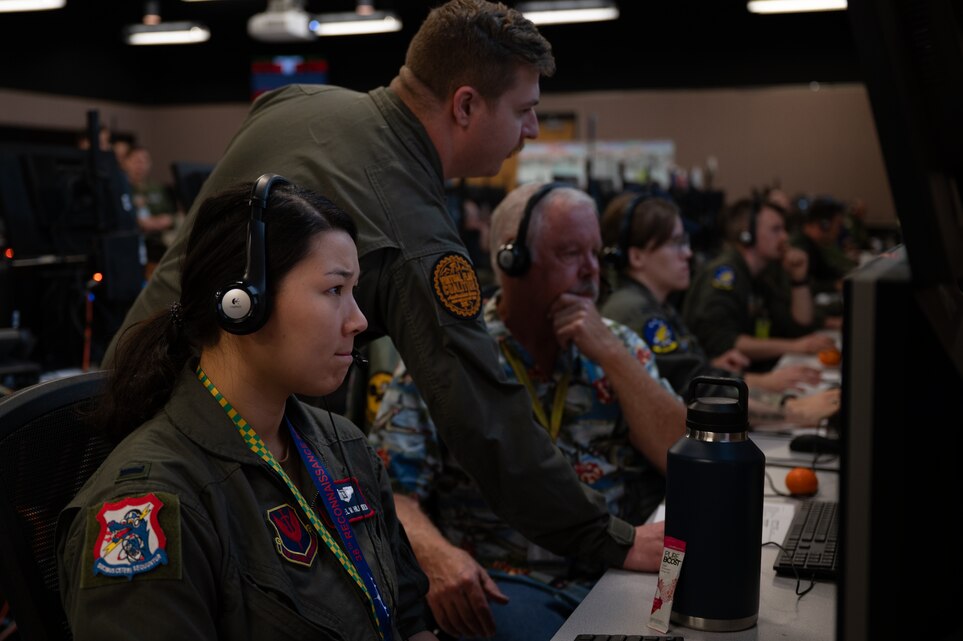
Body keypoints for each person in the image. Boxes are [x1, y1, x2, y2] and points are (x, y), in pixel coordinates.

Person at [104, 0, 658, 585]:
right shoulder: (417, 235)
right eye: (524, 110)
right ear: (465, 105)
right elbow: (486, 421)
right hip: (221, 483)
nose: (533, 130)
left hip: (129, 410)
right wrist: (606, 537)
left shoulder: (295, 101)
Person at [57, 177, 436, 641]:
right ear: (243, 304)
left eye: (354, 291)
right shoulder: (151, 508)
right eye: (335, 290)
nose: (358, 320)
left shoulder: (347, 448)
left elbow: (410, 619)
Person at [368, 183, 684, 640]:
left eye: (597, 253)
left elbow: (679, 455)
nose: (592, 271)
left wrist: (612, 355)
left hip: (621, 565)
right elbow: (392, 492)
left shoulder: (619, 344)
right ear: (511, 261)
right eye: (571, 253)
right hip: (509, 583)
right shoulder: (451, 358)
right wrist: (437, 556)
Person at [599, 191, 841, 426]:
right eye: (676, 243)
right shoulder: (637, 312)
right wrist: (790, 411)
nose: (688, 253)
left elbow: (690, 377)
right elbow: (695, 392)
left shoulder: (653, 303)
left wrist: (715, 369)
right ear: (636, 257)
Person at [681, 196, 837, 372]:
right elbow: (722, 341)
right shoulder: (725, 275)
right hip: (715, 382)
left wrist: (799, 279)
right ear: (748, 236)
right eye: (776, 229)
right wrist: (794, 346)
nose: (785, 237)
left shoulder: (761, 275)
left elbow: (800, 324)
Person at [120, 143, 180, 270]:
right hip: (138, 240)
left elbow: (173, 214)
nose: (140, 165)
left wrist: (167, 220)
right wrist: (140, 223)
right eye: (136, 161)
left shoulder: (157, 188)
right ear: (125, 163)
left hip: (163, 235)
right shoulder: (121, 189)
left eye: (144, 161)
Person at [790, 195, 857, 296]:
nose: (839, 231)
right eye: (838, 225)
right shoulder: (799, 248)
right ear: (824, 225)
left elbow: (827, 271)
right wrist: (835, 285)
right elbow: (805, 284)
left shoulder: (814, 244)